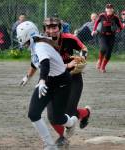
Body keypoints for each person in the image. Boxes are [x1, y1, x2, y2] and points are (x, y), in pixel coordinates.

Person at [17, 21, 78, 150]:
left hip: (61, 82)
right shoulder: (35, 43)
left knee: (57, 118)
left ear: (26, 35)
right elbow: (36, 63)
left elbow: (45, 64)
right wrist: (27, 77)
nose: (18, 38)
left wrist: (42, 81)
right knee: (33, 114)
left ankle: (72, 122)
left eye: (19, 35)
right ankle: (50, 146)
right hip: (48, 81)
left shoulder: (40, 46)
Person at [43, 17, 91, 146]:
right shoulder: (42, 44)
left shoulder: (69, 38)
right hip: (53, 80)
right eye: (48, 28)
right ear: (44, 30)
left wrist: (81, 57)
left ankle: (85, 114)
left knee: (68, 113)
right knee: (53, 116)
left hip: (73, 79)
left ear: (60, 28)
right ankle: (63, 136)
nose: (51, 31)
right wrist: (67, 65)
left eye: (54, 27)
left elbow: (84, 49)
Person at [91, 4, 123, 73]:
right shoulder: (102, 16)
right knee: (103, 48)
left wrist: (117, 30)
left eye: (111, 8)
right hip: (102, 35)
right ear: (105, 9)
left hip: (111, 36)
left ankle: (103, 67)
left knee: (108, 53)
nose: (109, 9)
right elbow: (97, 22)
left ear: (113, 9)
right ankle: (100, 60)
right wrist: (94, 30)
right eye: (108, 8)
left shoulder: (115, 17)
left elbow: (120, 27)